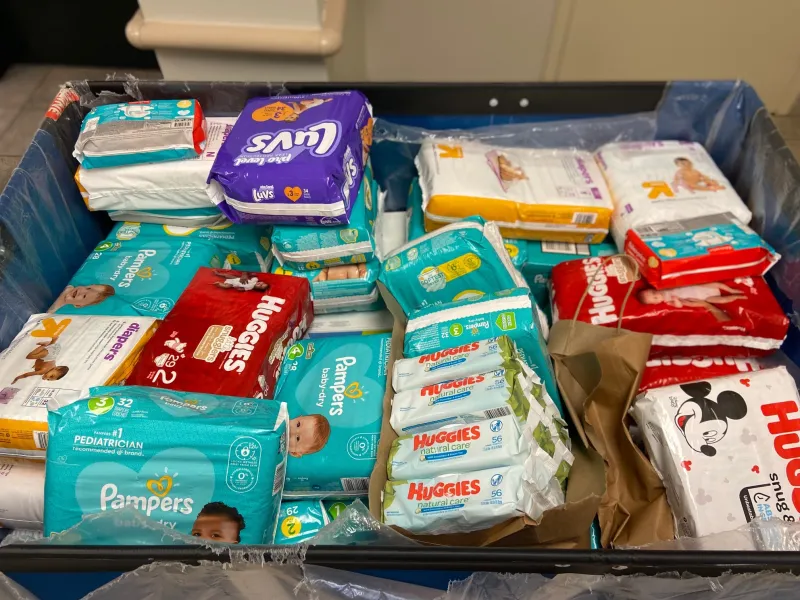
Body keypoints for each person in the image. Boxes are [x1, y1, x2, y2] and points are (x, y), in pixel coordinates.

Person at [638, 282, 746, 322]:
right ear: (656, 303)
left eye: (653, 292)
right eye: (655, 298)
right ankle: (736, 297)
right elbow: (679, 306)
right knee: (722, 300)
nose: (657, 295)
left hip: (698, 287)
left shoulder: (663, 288)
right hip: (702, 298)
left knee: (716, 284)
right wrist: (676, 300)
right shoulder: (668, 301)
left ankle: (732, 290)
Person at [49, 284, 115, 312]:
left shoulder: (54, 311)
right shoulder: (69, 287)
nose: (81, 291)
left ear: (78, 305)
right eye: (88, 288)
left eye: (84, 296)